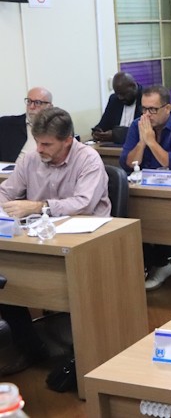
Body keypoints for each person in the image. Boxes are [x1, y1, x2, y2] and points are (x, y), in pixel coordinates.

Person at [0, 107, 110, 375]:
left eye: (47, 144)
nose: (39, 149)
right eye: (37, 142)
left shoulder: (88, 159)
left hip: (87, 238)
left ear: (67, 140)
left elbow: (83, 204)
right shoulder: (31, 159)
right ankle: (30, 346)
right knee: (7, 278)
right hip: (39, 234)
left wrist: (39, 206)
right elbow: (6, 191)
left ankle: (90, 351)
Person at [120, 85, 171, 290]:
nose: (147, 114)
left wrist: (151, 142)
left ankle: (161, 262)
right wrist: (142, 142)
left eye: (153, 109)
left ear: (167, 108)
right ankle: (151, 262)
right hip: (147, 188)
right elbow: (127, 163)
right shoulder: (138, 125)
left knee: (157, 216)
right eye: (144, 108)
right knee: (125, 215)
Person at [0, 87, 52, 163]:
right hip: (12, 169)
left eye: (37, 102)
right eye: (29, 101)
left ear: (49, 106)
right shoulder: (6, 124)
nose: (31, 106)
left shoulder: (58, 127)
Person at [92, 72, 142, 142]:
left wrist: (116, 135)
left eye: (124, 94)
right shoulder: (114, 99)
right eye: (117, 94)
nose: (120, 98)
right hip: (112, 146)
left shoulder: (146, 98)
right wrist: (98, 132)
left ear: (133, 86)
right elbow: (103, 125)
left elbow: (143, 131)